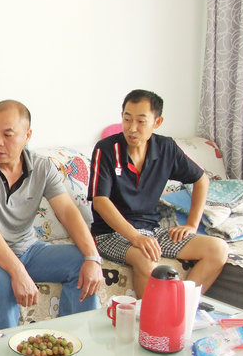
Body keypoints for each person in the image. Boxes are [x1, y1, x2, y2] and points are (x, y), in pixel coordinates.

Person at [0, 100, 102, 331]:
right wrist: (17, 272)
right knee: (2, 278)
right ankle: (2, 352)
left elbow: (67, 211)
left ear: (27, 135)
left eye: (7, 135)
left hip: (28, 250)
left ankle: (73, 340)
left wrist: (93, 258)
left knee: (81, 260)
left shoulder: (43, 167)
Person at [88, 89, 228, 297]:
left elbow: (201, 179)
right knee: (146, 259)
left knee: (218, 249)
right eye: (127, 119)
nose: (132, 128)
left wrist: (192, 224)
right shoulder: (107, 149)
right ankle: (152, 317)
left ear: (157, 122)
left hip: (152, 230)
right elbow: (100, 201)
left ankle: (181, 306)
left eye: (141, 121)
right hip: (110, 234)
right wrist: (136, 237)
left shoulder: (166, 148)